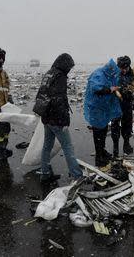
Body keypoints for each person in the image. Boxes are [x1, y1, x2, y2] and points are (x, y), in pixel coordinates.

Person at [33, 53, 83, 183]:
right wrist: (64, 120)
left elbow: (43, 95)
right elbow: (59, 100)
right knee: (68, 147)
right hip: (56, 119)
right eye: (69, 67)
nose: (69, 70)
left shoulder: (49, 74)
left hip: (46, 116)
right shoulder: (60, 77)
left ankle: (45, 173)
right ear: (64, 65)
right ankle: (77, 176)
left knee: (47, 146)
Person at [84, 59, 122, 169]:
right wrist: (110, 89)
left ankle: (102, 150)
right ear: (110, 69)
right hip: (96, 108)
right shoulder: (98, 74)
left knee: (103, 129)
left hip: (103, 108)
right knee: (98, 133)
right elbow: (96, 89)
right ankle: (99, 156)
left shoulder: (108, 75)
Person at [111, 56, 134, 157]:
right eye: (121, 68)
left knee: (127, 124)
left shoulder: (133, 75)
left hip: (127, 103)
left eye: (126, 68)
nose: (124, 70)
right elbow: (109, 86)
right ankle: (115, 146)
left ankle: (126, 143)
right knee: (115, 124)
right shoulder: (113, 74)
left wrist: (129, 91)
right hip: (115, 104)